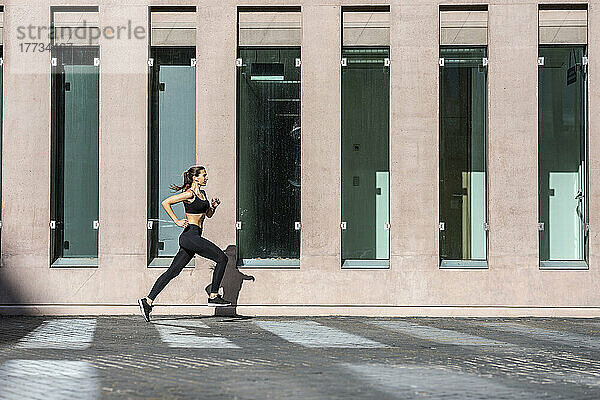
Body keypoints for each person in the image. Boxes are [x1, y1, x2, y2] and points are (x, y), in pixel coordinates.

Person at [138, 165, 231, 322]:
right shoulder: (189, 194)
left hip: (194, 236)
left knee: (173, 272)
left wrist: (213, 207)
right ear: (196, 178)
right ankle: (213, 295)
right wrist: (177, 221)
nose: (206, 178)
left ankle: (147, 301)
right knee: (222, 258)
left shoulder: (202, 194)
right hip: (190, 236)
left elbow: (207, 215)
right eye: (204, 175)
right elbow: (166, 202)